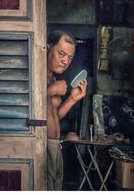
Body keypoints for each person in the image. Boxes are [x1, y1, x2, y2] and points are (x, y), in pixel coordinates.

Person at [46, 30, 87, 191]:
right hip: (40, 147)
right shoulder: (36, 74)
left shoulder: (52, 77)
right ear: (48, 48)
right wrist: (52, 89)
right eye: (61, 54)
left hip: (55, 146)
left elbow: (53, 116)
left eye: (69, 57)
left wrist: (72, 99)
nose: (65, 61)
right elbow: (26, 106)